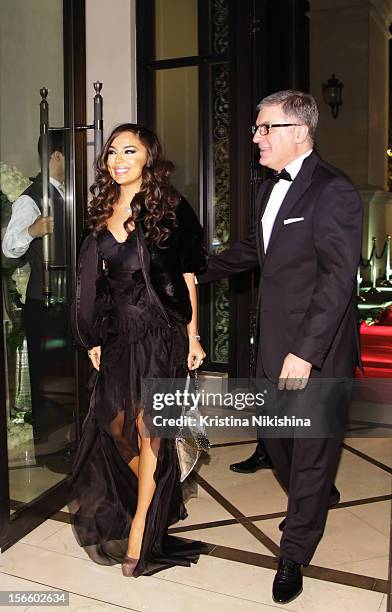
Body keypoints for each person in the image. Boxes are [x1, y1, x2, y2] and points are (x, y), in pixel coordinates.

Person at [198, 91, 362, 604]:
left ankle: (294, 553)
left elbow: (338, 280)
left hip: (319, 348)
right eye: (255, 128)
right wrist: (198, 267)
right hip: (272, 345)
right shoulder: (269, 189)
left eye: (264, 128)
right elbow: (256, 249)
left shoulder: (333, 191)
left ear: (299, 131)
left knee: (311, 451)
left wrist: (307, 351)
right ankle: (316, 494)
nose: (255, 137)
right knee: (280, 441)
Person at [69, 123, 208, 578]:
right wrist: (92, 338)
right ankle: (158, 491)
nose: (118, 158)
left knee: (152, 430)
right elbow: (93, 285)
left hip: (162, 333)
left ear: (149, 156)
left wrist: (192, 335)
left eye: (130, 150)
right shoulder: (99, 211)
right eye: (112, 151)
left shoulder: (170, 208)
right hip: (118, 337)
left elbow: (187, 277)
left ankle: (140, 534)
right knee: (115, 425)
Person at [2, 133, 68, 449]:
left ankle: (69, 440)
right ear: (56, 157)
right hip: (44, 303)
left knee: (66, 375)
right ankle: (51, 448)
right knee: (48, 380)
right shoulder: (31, 198)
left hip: (66, 300)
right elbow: (9, 247)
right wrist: (33, 230)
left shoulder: (65, 193)